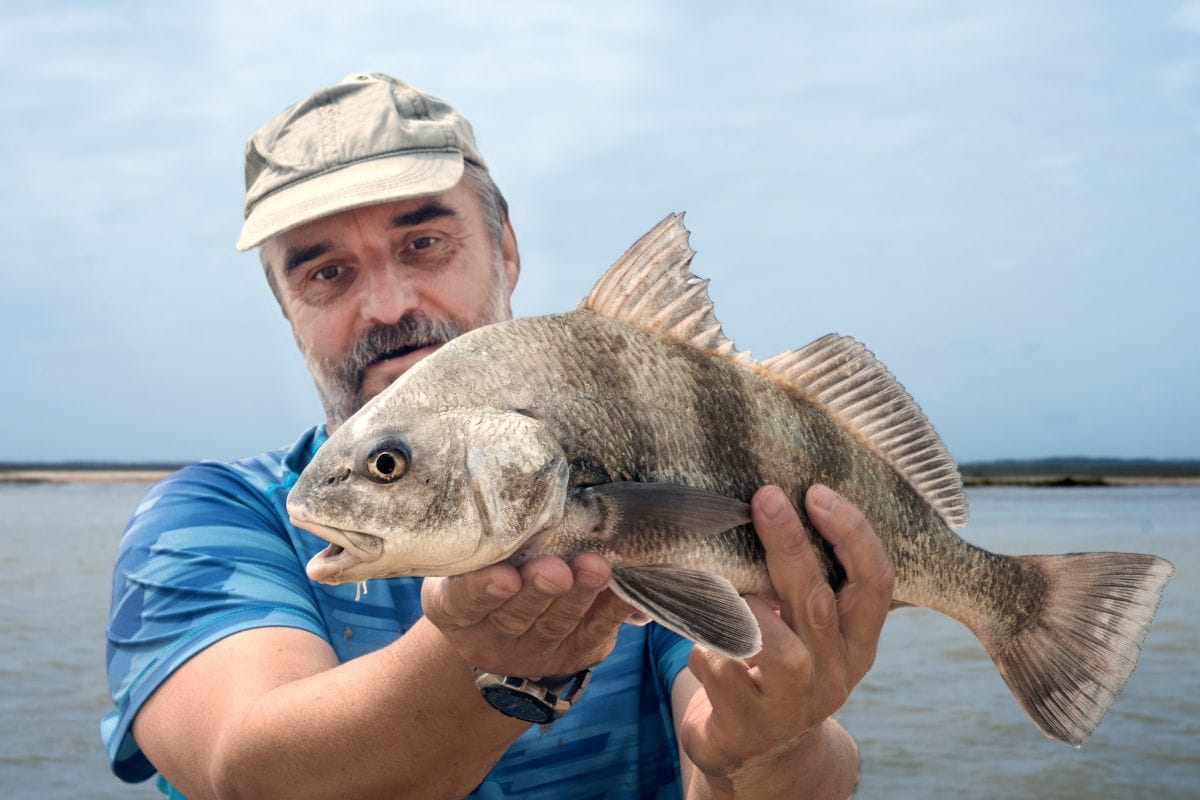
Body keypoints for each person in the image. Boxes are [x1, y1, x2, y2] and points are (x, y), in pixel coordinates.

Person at [103, 72, 895, 799]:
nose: (386, 303)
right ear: (288, 311)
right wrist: (488, 661)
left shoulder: (632, 472)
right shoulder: (207, 521)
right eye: (325, 273)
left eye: (423, 243)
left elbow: (749, 761)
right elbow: (250, 773)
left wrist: (770, 744)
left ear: (506, 250)